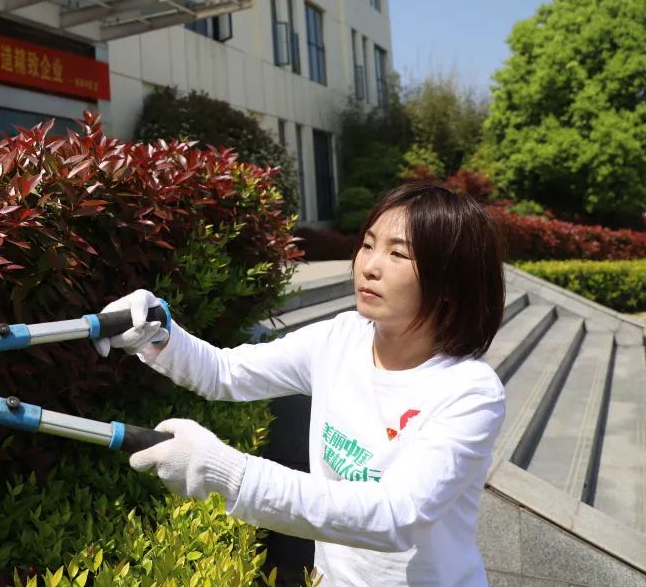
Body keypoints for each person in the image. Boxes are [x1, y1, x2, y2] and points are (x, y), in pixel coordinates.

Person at [95, 182, 506, 586]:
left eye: (397, 253)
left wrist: (226, 471)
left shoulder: (470, 392)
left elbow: (394, 516)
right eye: (367, 244)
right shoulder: (340, 338)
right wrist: (158, 334)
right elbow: (226, 371)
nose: (369, 265)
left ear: (451, 281)